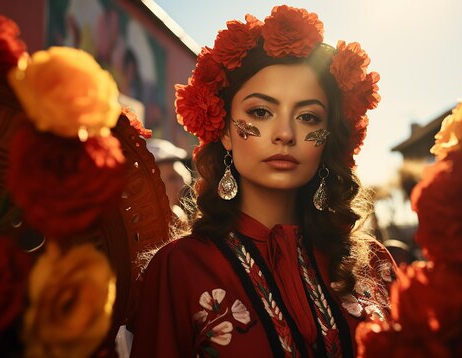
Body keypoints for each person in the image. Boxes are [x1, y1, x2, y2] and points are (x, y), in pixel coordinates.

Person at [130, 5, 396, 357]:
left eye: (308, 117)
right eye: (260, 112)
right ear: (225, 131)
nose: (285, 134)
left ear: (328, 135)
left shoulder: (374, 264)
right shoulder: (179, 268)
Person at [145, 138, 192, 221]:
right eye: (172, 179)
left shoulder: (178, 216)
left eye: (180, 178)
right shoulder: (140, 222)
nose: (180, 185)